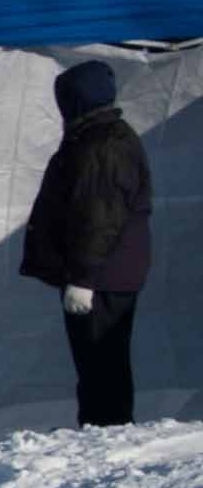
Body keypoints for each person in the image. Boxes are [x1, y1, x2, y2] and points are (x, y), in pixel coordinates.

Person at [19, 59, 153, 427]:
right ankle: (102, 426)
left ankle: (106, 430)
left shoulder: (102, 145)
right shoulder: (103, 136)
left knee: (101, 361)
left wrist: (83, 278)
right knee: (101, 362)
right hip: (111, 271)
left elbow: (98, 219)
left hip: (103, 275)